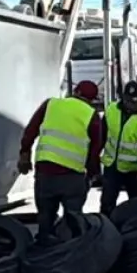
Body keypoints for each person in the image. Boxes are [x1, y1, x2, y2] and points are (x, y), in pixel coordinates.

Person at [18, 81, 104, 245]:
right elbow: (95, 150)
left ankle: (43, 254)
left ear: (74, 91)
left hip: (45, 173)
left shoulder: (51, 104)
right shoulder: (91, 115)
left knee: (45, 218)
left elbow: (31, 130)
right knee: (74, 221)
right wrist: (93, 174)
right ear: (92, 100)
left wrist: (24, 152)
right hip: (72, 177)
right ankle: (73, 255)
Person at [99, 80, 137, 216]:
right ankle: (107, 231)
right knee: (107, 203)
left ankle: (135, 231)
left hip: (133, 170)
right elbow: (101, 136)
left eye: (134, 102)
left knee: (136, 206)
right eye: (127, 101)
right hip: (112, 166)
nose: (130, 105)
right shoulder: (111, 110)